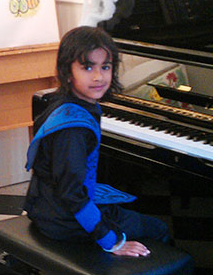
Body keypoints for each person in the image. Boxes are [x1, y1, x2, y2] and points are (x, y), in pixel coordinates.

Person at [24, 26, 169, 257]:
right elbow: (72, 194)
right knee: (159, 228)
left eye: (105, 67)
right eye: (88, 67)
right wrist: (112, 241)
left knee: (127, 207)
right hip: (63, 221)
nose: (98, 76)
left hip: (47, 206)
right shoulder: (72, 130)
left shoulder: (64, 103)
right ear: (67, 71)